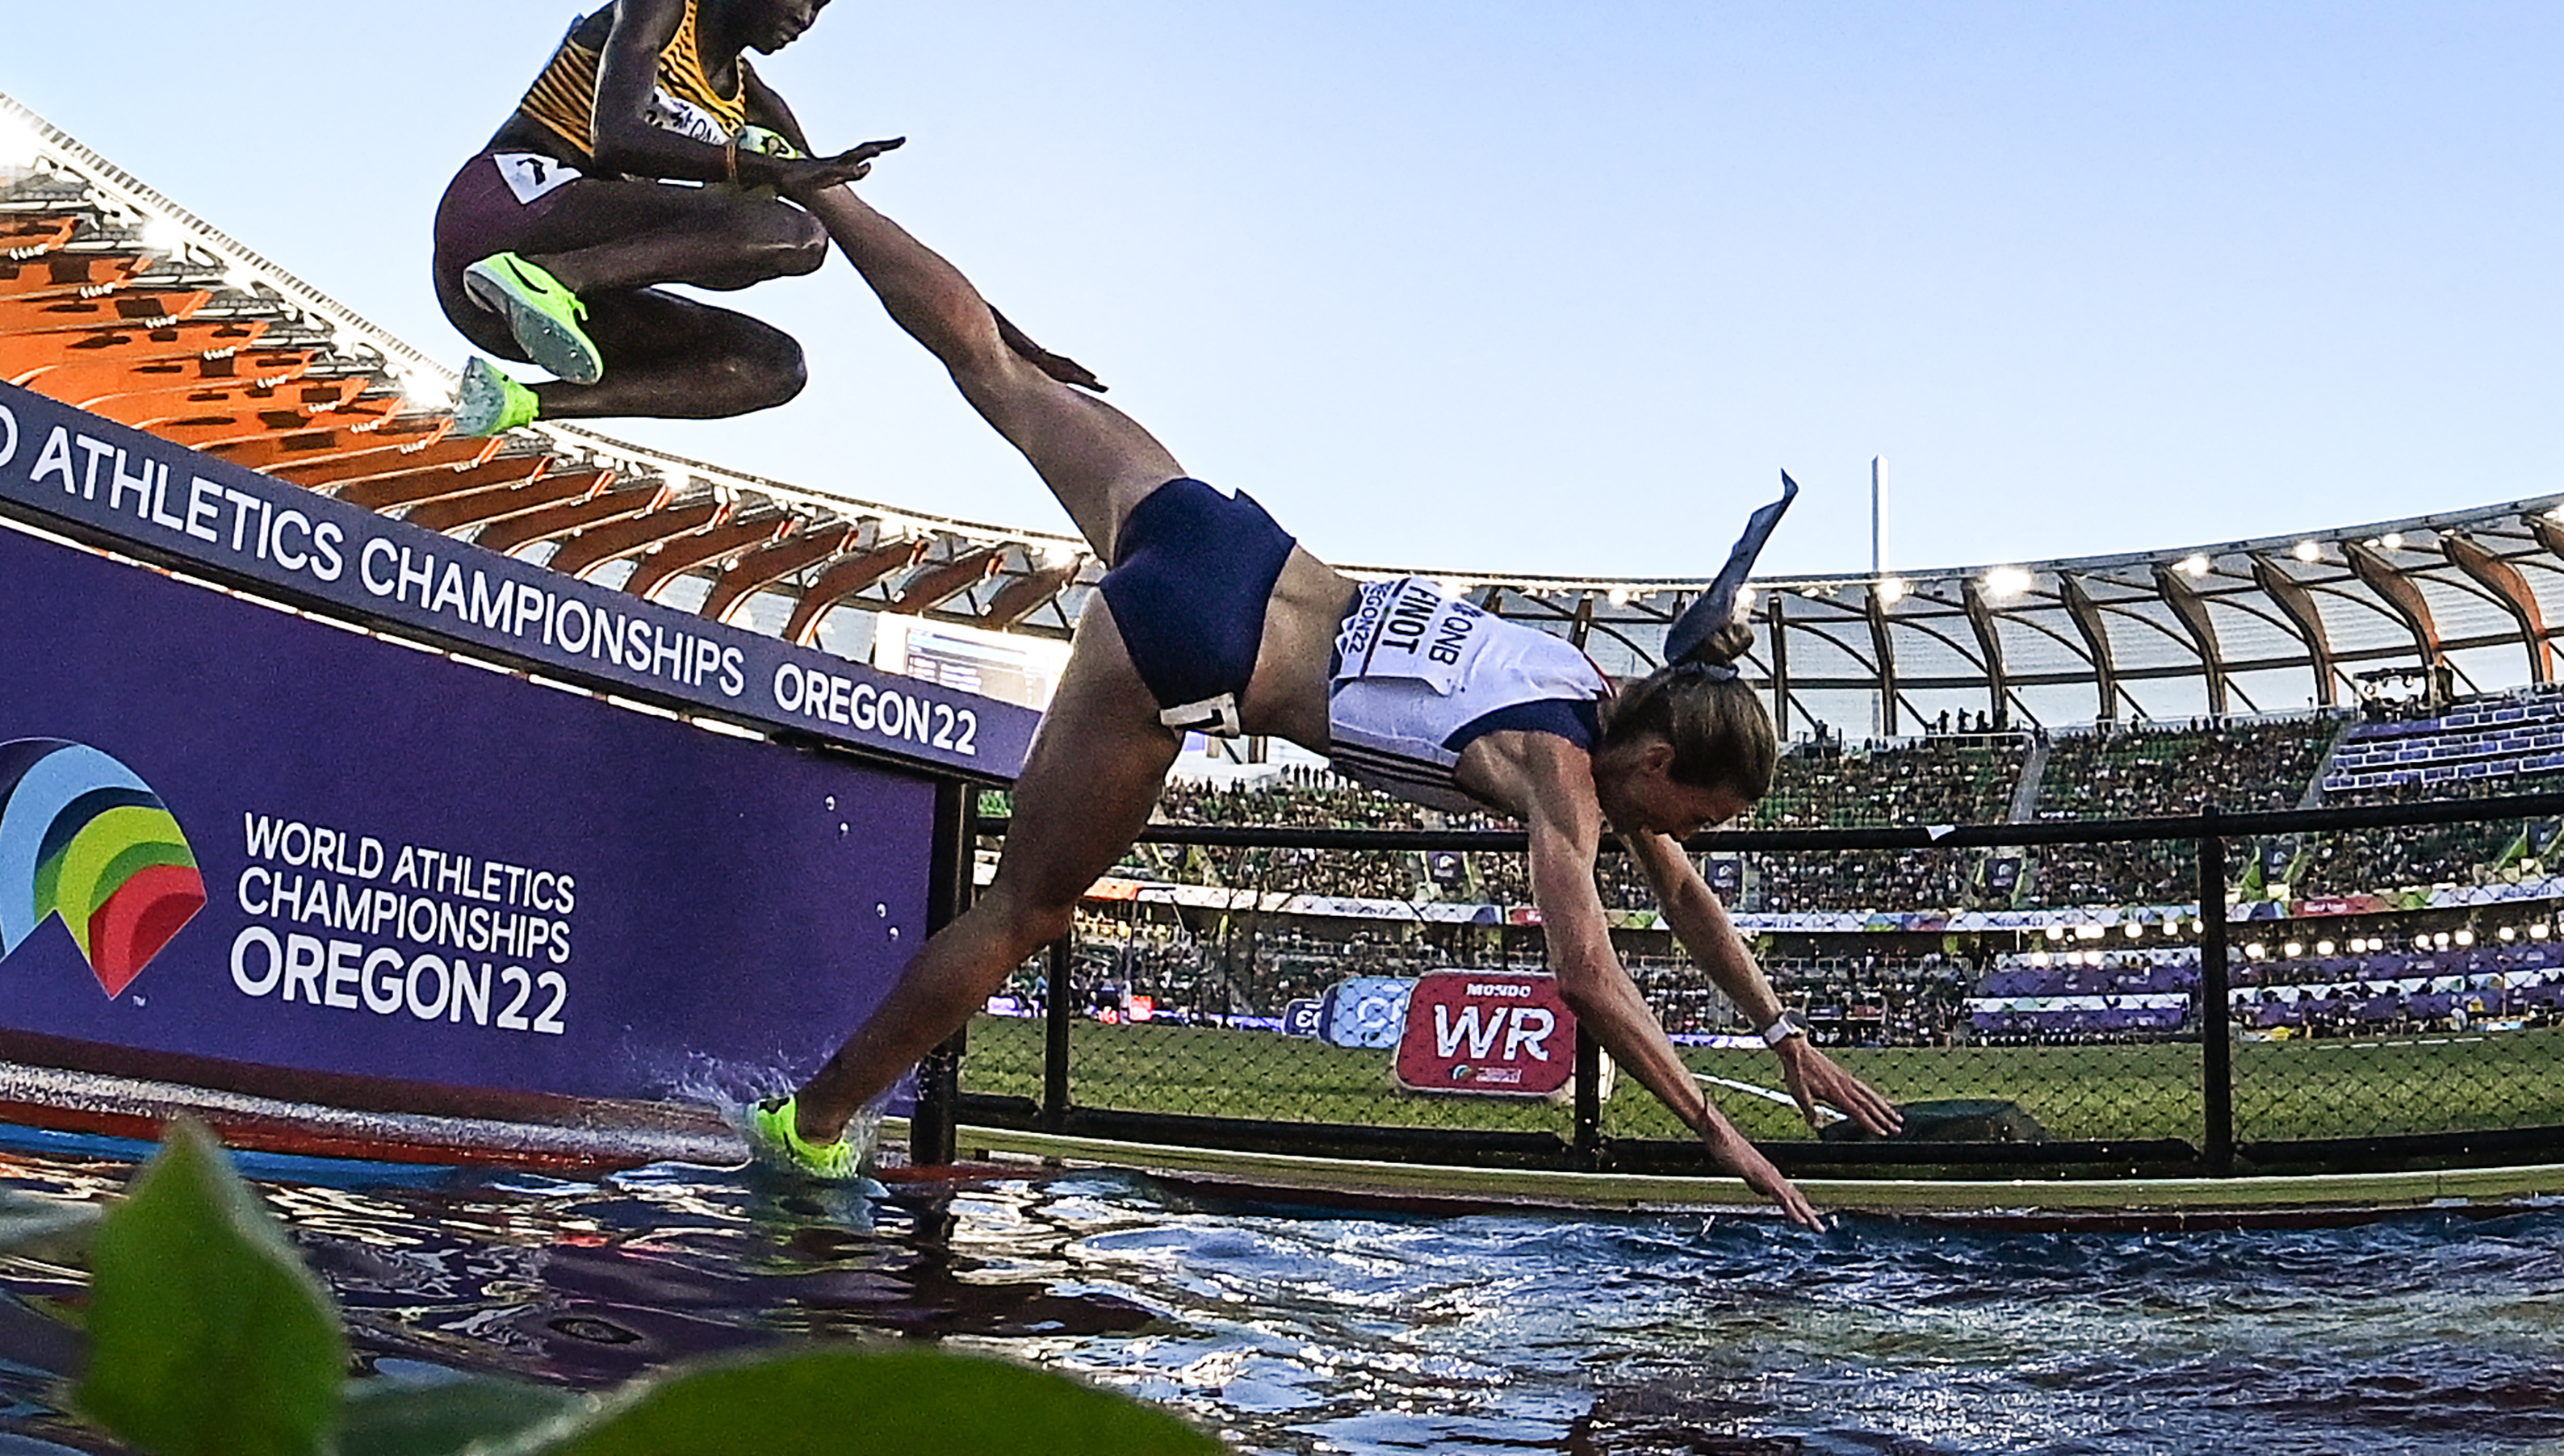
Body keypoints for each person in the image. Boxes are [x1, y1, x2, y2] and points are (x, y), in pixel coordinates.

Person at [749, 182, 1904, 1227]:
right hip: (1199, 650)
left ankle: (816, 182)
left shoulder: (1591, 683)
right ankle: (807, 1129)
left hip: (1229, 541)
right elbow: (1587, 980)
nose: (1684, 843)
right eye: (1693, 816)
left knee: (1001, 369)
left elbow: (1686, 896)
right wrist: (1719, 1131)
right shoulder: (1562, 781)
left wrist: (1782, 1031)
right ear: (1655, 763)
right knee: (1022, 913)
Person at [433, 0, 1096, 438]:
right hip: (501, 213)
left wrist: (1013, 345)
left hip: (514, 315)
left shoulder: (760, 105)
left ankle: (518, 401)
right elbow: (616, 137)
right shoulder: (661, 2)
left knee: (774, 364)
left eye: (821, 8)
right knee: (789, 224)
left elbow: (879, 245)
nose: (803, 18)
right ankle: (554, 280)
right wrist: (767, 168)